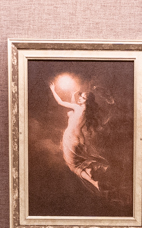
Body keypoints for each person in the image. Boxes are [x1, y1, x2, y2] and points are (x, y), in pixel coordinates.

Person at [48, 70, 116, 199]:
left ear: (86, 101)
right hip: (80, 140)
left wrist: (53, 90)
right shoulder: (86, 111)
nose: (80, 98)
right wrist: (74, 95)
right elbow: (74, 107)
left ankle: (93, 180)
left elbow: (60, 102)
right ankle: (94, 181)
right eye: (80, 97)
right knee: (80, 164)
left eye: (82, 98)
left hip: (70, 139)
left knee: (73, 166)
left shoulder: (77, 108)